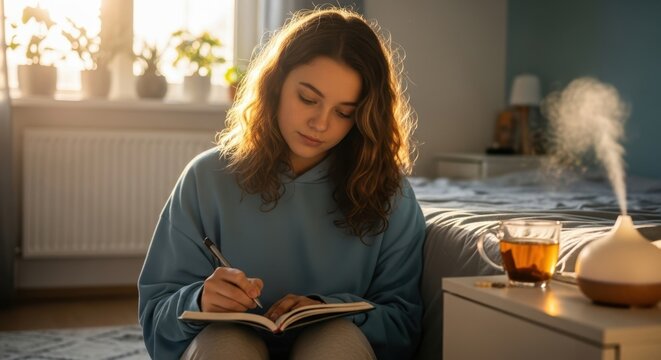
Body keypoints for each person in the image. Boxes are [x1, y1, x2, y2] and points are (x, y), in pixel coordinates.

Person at [138, 7, 425, 360]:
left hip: (336, 343)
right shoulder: (206, 178)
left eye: (344, 112)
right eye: (308, 98)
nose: (320, 123)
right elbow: (156, 315)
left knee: (335, 346)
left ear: (364, 115)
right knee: (224, 348)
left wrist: (328, 309)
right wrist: (199, 299)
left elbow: (403, 323)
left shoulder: (391, 193)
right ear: (275, 86)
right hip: (225, 339)